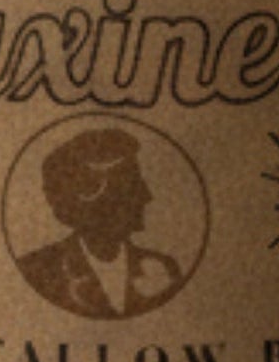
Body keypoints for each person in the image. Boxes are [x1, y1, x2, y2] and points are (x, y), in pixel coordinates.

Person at [14, 124, 186, 319]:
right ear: (88, 195)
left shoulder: (165, 268)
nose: (147, 196)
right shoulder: (38, 268)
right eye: (131, 186)